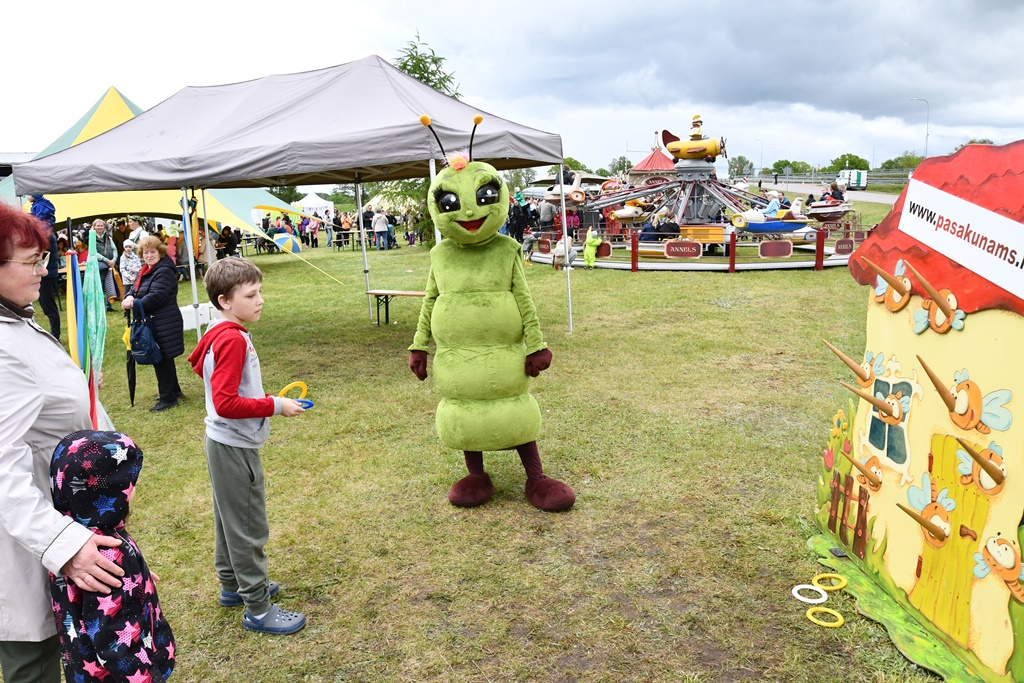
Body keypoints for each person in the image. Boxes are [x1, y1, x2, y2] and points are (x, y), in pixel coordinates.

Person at [0, 202, 126, 683]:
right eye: (30, 262)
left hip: (61, 526)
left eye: (42, 258)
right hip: (30, 543)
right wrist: (63, 545)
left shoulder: (17, 321)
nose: (45, 270)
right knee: (33, 666)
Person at [187, 258, 307, 635]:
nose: (260, 301)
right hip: (233, 446)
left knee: (229, 519)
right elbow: (225, 403)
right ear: (225, 300)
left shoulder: (219, 331)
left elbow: (210, 376)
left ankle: (231, 586)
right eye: (251, 295)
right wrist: (275, 405)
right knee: (247, 526)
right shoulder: (232, 339)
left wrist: (262, 397)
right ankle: (257, 606)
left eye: (260, 293)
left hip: (222, 441)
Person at [49, 430, 175, 682]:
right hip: (119, 673)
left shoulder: (73, 542)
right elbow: (111, 632)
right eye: (130, 484)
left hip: (86, 668)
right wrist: (143, 677)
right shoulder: (103, 552)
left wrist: (141, 574)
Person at [121, 236, 184, 412]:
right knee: (164, 357)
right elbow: (135, 289)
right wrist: (130, 296)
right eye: (146, 252)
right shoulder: (146, 270)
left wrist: (134, 303)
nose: (149, 255)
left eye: (153, 252)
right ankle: (174, 390)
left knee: (161, 357)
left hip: (164, 320)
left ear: (160, 252)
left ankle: (168, 398)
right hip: (157, 320)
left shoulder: (164, 271)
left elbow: (157, 296)